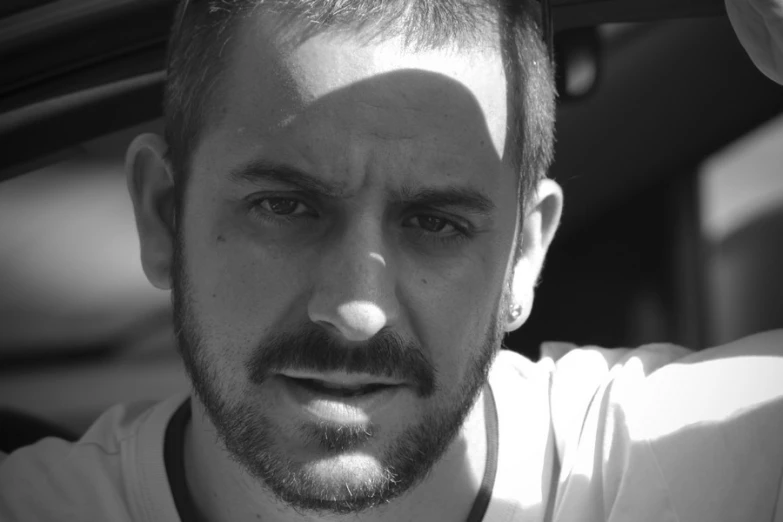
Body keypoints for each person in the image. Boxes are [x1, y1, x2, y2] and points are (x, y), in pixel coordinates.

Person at [1, 0, 782, 521]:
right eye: (286, 206)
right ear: (163, 214)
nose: (354, 308)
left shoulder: (682, 466)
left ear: (524, 254)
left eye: (435, 223)